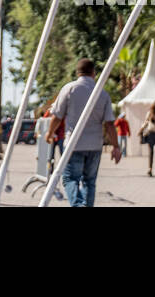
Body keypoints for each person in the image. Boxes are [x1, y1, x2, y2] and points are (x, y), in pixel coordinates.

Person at [46, 59, 121, 207]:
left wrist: (49, 134)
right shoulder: (102, 94)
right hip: (95, 145)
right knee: (90, 182)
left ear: (77, 72)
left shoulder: (69, 89)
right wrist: (115, 147)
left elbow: (57, 117)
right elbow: (110, 124)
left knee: (70, 179)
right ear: (94, 73)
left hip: (73, 144)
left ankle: (78, 205)